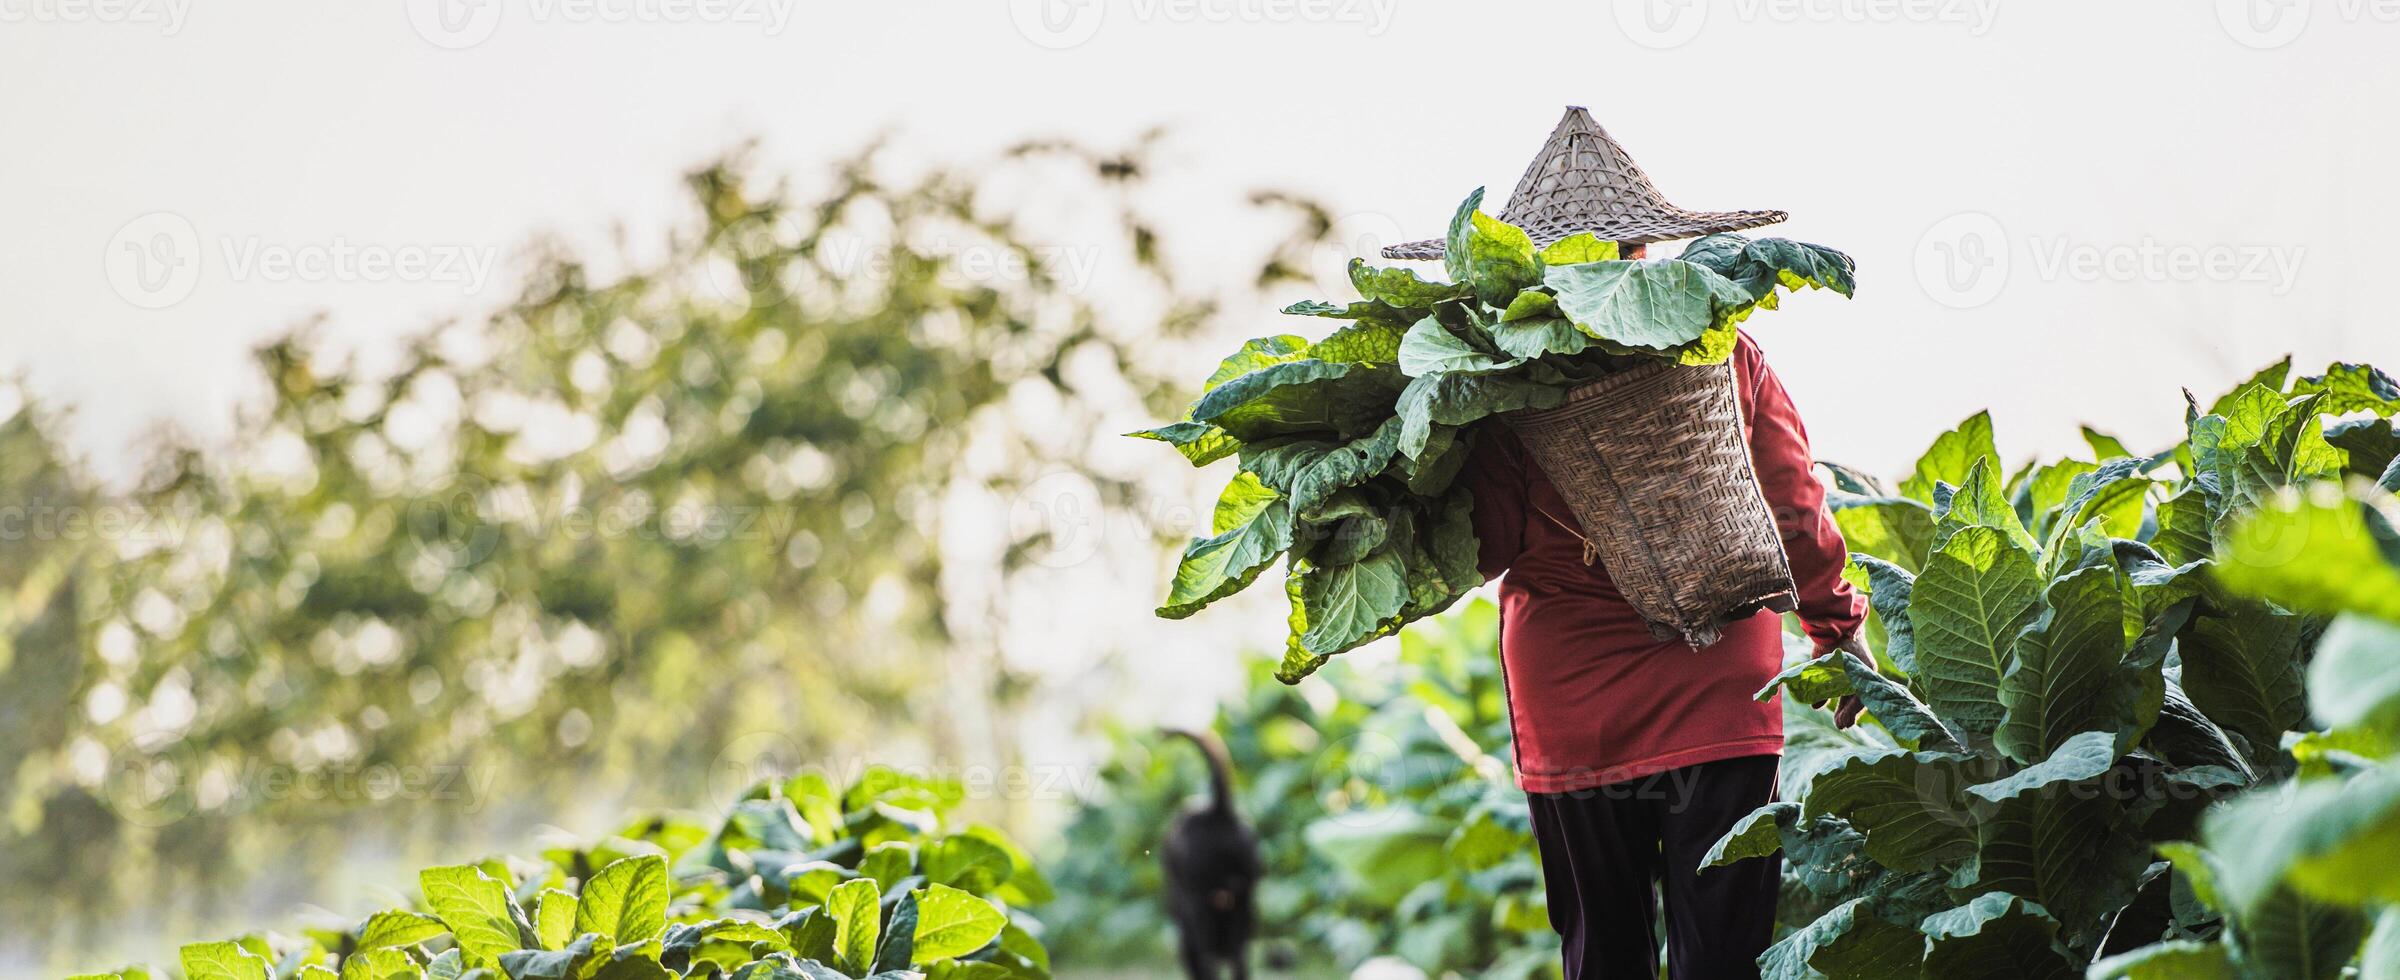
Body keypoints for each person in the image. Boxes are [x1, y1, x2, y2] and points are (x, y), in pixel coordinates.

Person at [1387, 108, 1868, 979]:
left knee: (1604, 957)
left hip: (1576, 710)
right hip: (1723, 696)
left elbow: (1484, 547)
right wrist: (1838, 629)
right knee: (1723, 960)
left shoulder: (1498, 387)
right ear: (1644, 250)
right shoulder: (1725, 352)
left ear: (1533, 261)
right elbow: (1794, 506)